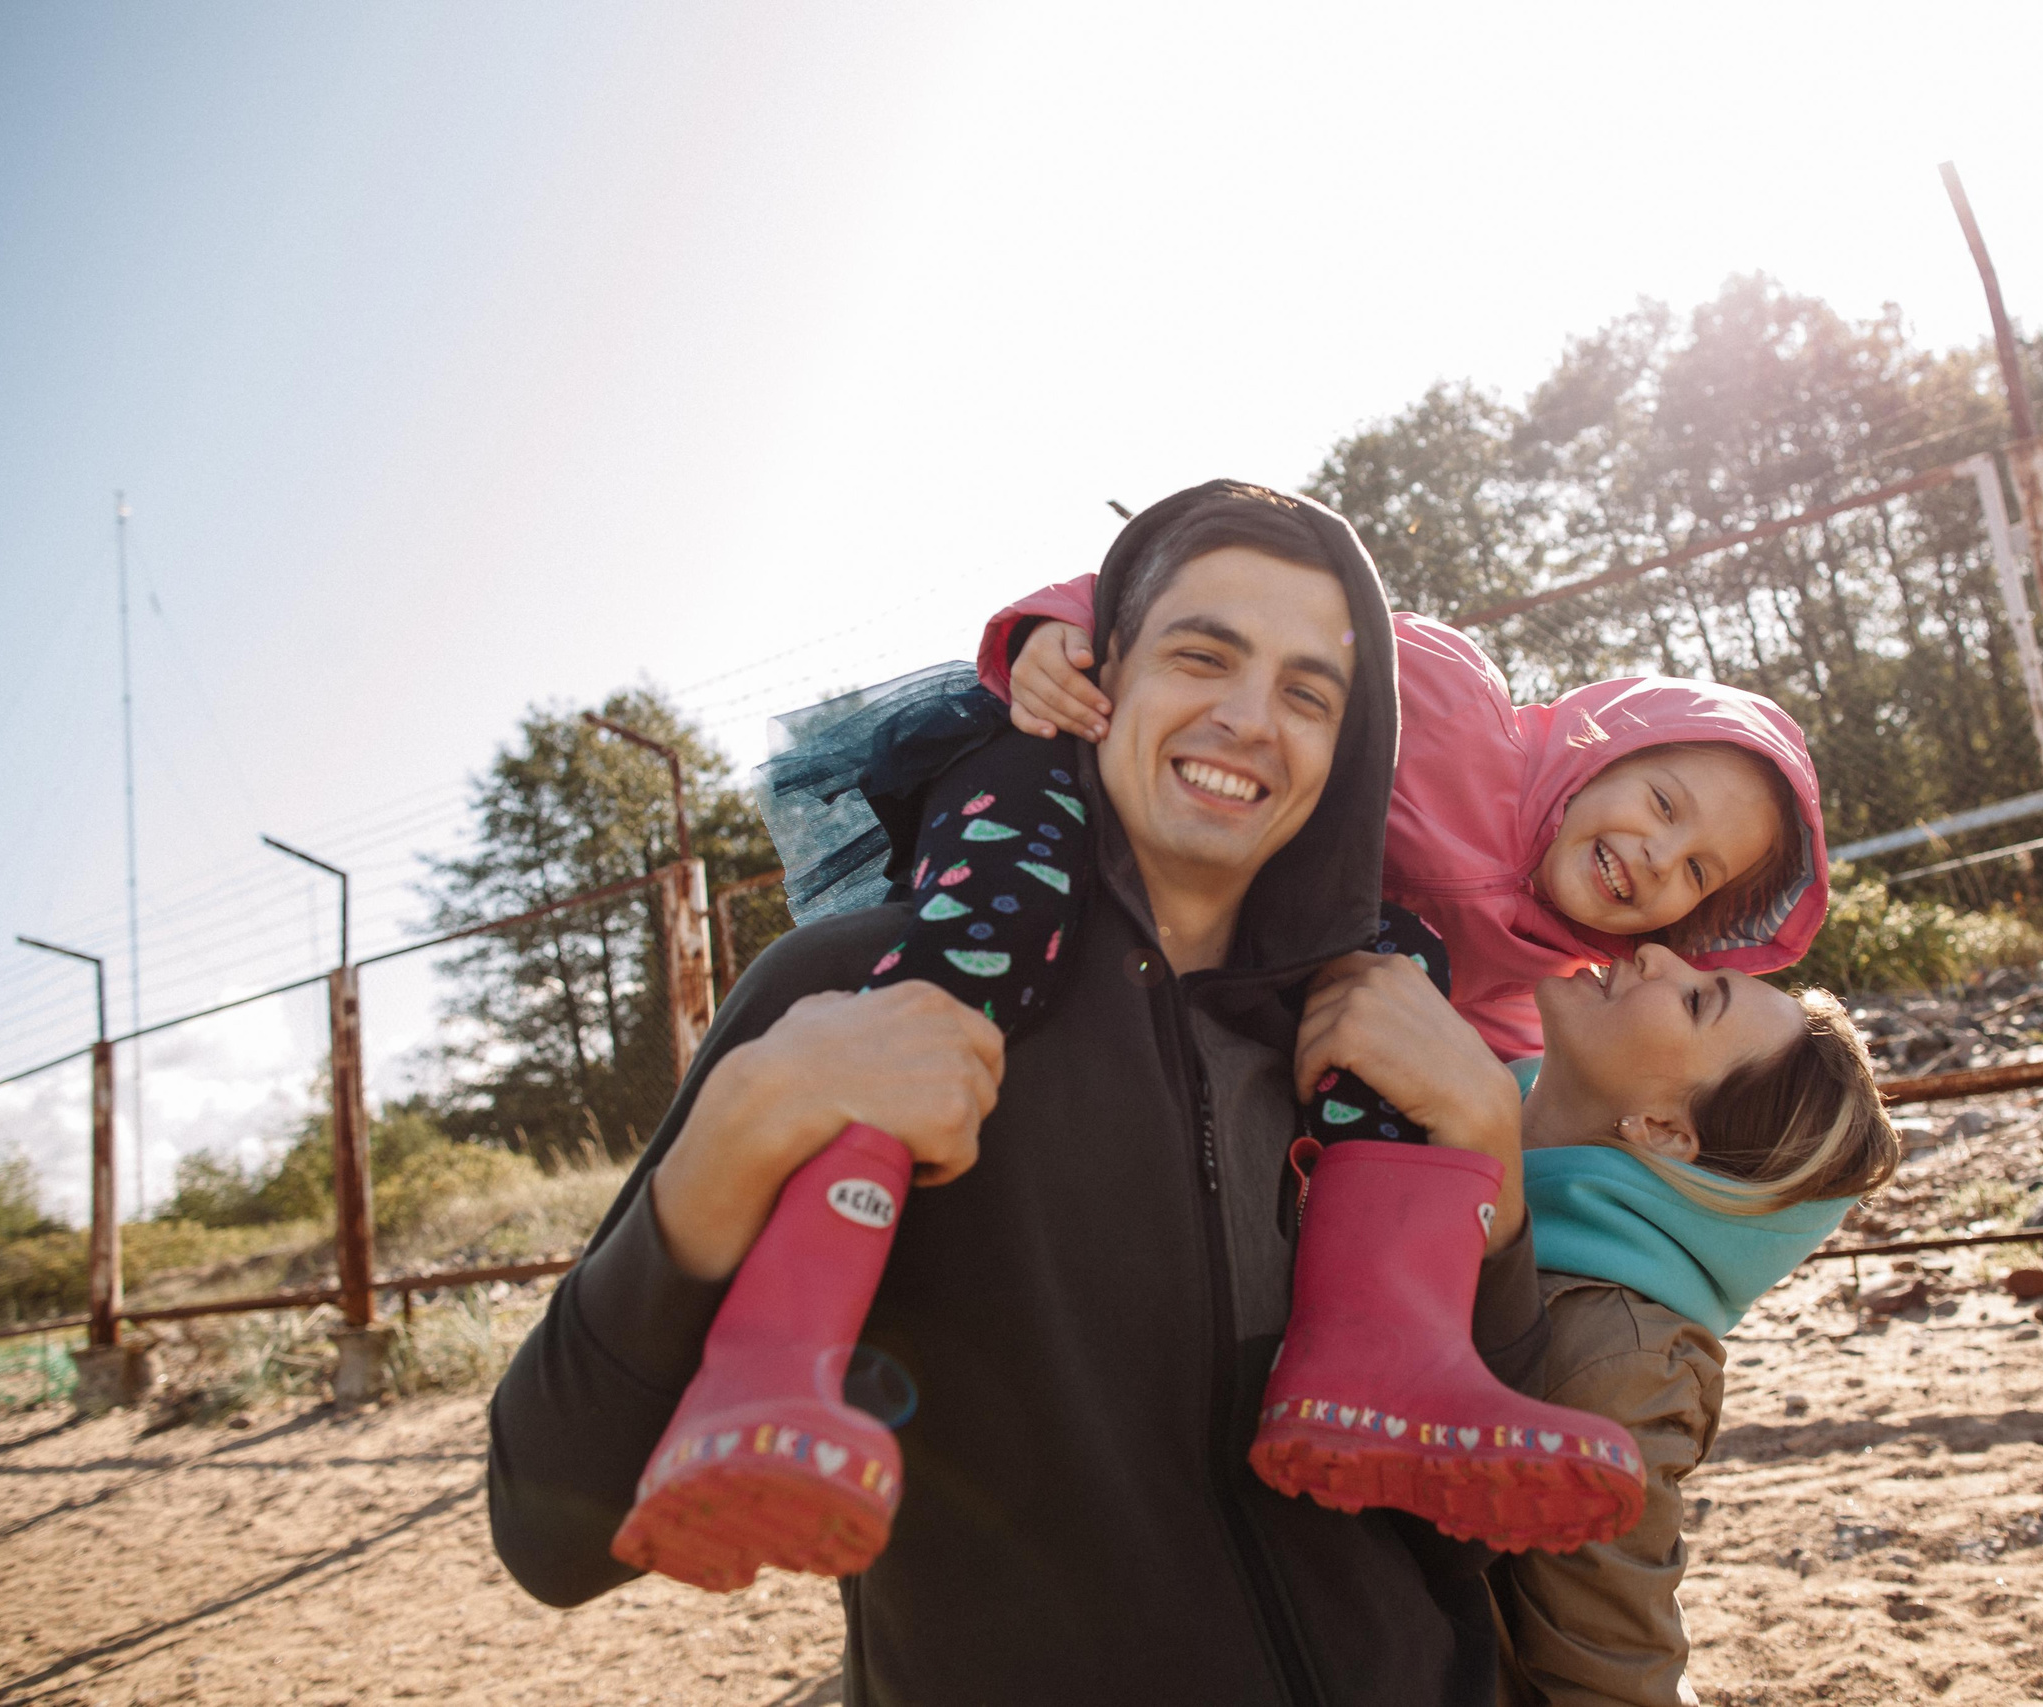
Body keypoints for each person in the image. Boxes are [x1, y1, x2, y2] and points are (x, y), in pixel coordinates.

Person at [489, 481, 1557, 1706]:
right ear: (1100, 679)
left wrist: (1489, 1160)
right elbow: (548, 1534)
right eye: (1202, 654)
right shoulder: (862, 993)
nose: (1253, 719)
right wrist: (739, 1124)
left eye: (1310, 693)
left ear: (1350, 749)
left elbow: (1476, 1513)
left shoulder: (1393, 1051)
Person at [1295, 941, 1897, 1707]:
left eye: (1694, 1000)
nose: (1655, 954)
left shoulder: (1617, 1357)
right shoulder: (1428, 1107)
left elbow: (1609, 1677)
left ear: (1664, 1129)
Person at [979, 571, 1830, 1061]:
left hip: (1229, 972)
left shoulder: (1546, 971)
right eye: (1662, 804)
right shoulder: (1447, 694)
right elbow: (1251, 605)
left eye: (1696, 872)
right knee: (1030, 797)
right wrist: (1068, 625)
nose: (1658, 854)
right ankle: (954, 1004)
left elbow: (1495, 1063)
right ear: (1601, 749)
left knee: (1405, 990)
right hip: (1149, 822)